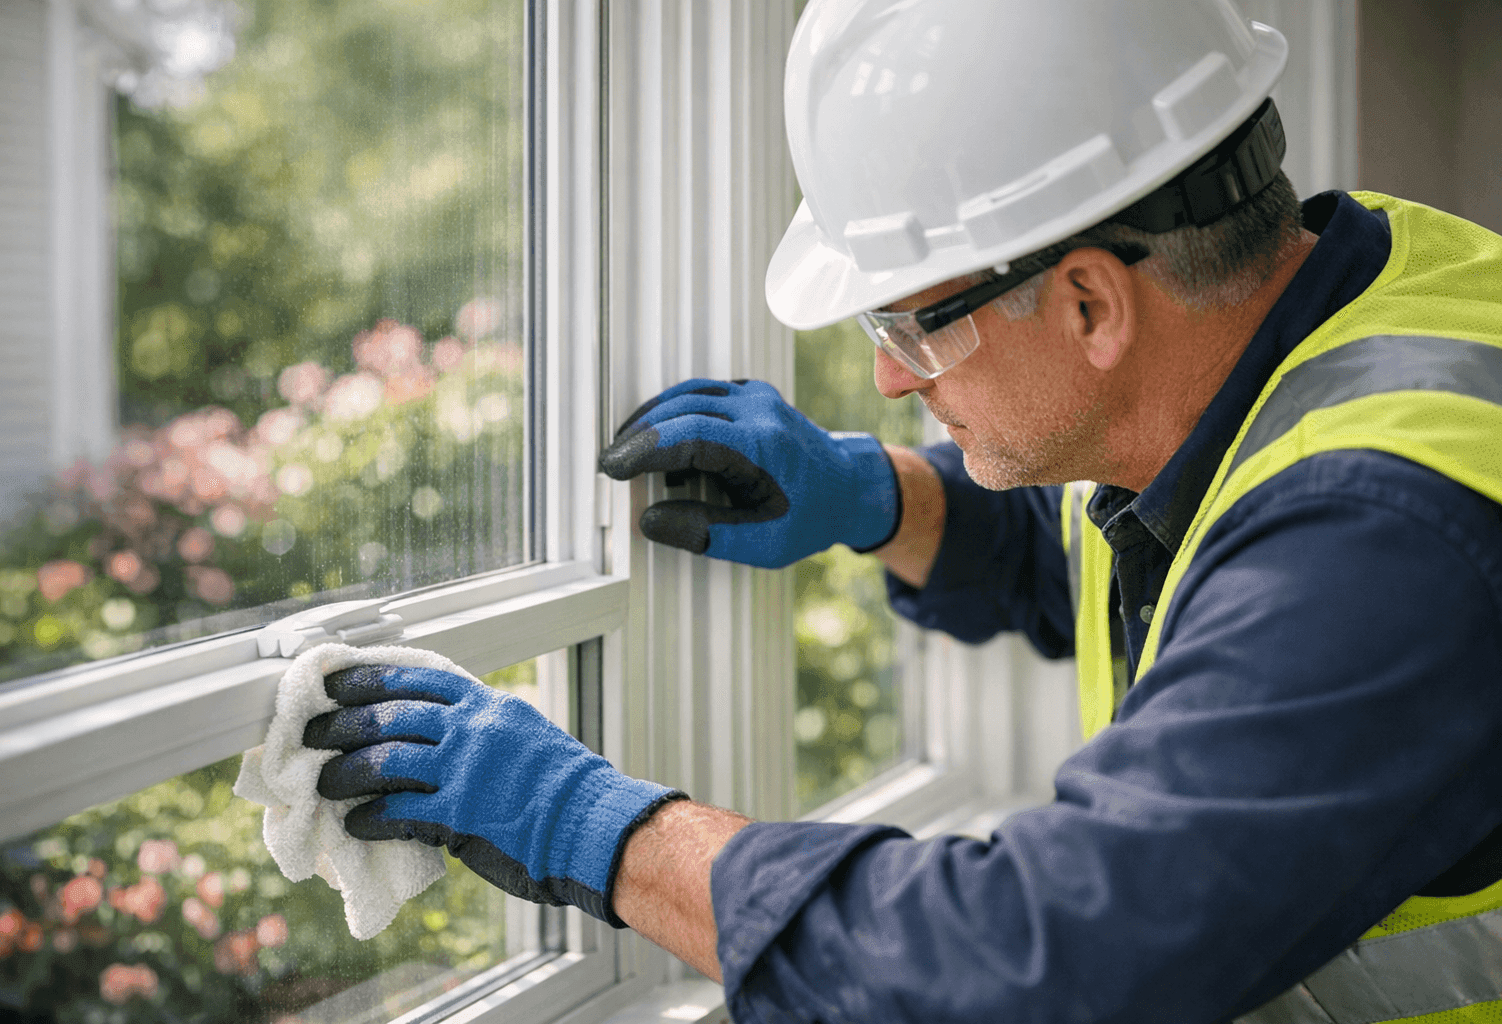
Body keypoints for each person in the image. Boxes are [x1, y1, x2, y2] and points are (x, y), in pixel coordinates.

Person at [299, 1, 1502, 1021]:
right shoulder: (1356, 299)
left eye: (912, 323)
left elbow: (1037, 962)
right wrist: (884, 498)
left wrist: (601, 832)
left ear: (1090, 303)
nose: (889, 375)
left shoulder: (1385, 531)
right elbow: (1186, 576)